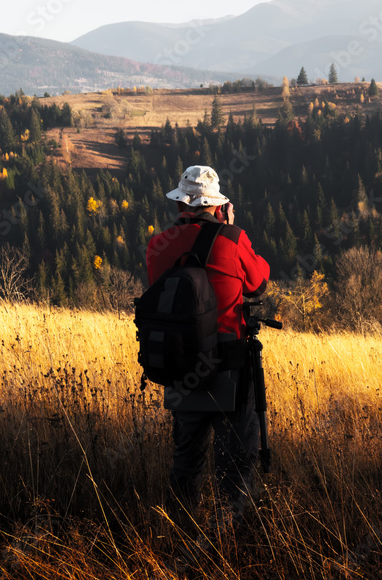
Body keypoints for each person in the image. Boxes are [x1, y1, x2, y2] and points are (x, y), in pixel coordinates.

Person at [145, 165, 270, 525]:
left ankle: (181, 530)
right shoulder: (232, 239)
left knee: (186, 460)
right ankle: (230, 535)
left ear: (181, 205)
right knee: (235, 460)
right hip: (230, 364)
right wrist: (231, 228)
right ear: (217, 205)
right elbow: (258, 281)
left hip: (180, 366)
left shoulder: (158, 246)